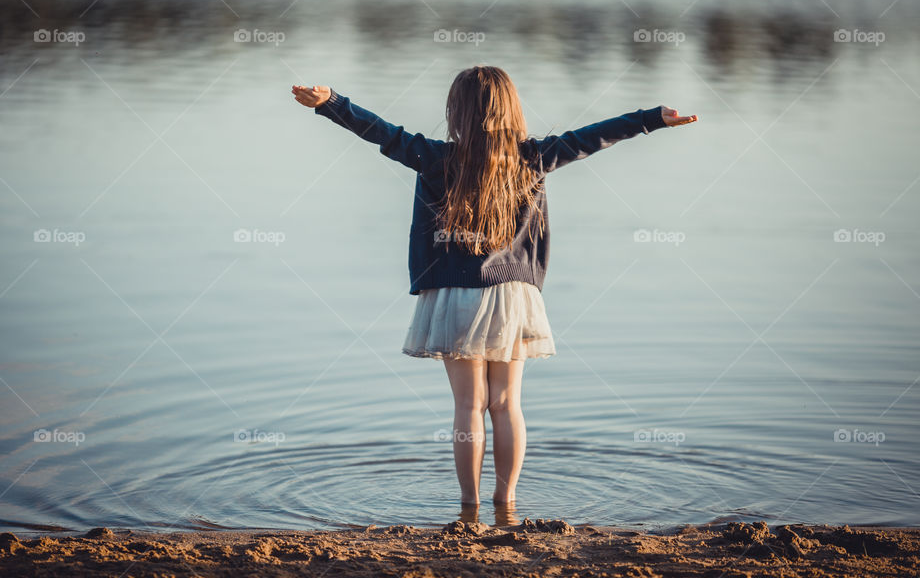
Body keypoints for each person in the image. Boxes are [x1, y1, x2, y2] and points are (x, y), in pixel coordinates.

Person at [292, 66, 697, 506]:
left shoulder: (434, 157)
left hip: (453, 296)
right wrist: (651, 117)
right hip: (514, 296)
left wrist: (331, 102)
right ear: (511, 109)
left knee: (468, 407)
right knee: (506, 404)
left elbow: (383, 133)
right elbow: (591, 137)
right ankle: (506, 503)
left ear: (456, 113)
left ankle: (470, 505)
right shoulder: (534, 157)